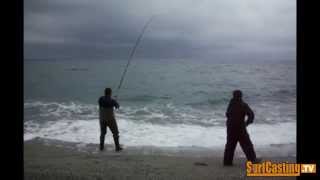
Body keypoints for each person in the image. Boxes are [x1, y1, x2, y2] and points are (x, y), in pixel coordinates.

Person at [223, 90, 260, 166]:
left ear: (233, 95)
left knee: (230, 145)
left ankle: (227, 162)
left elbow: (227, 114)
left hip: (230, 127)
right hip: (240, 128)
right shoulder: (243, 104)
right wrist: (247, 123)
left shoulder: (231, 104)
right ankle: (252, 160)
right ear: (241, 96)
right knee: (247, 144)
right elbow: (251, 115)